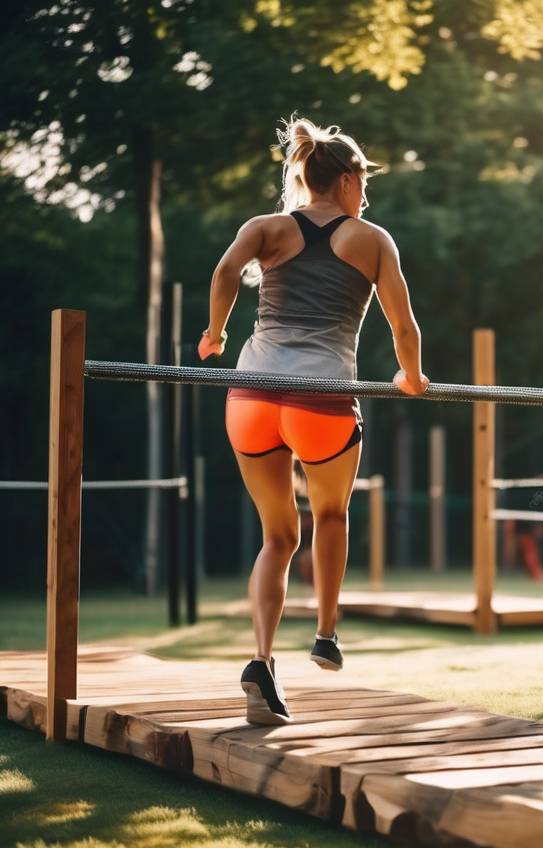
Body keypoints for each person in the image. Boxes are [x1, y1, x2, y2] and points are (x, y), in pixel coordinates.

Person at [200, 116, 428, 725]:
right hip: (320, 397)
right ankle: (326, 634)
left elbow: (224, 274)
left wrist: (216, 331)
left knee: (277, 537)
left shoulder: (266, 227)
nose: (367, 194)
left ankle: (260, 661)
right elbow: (402, 325)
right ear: (349, 180)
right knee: (329, 514)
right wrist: (411, 374)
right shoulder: (370, 238)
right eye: (364, 182)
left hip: (250, 394)